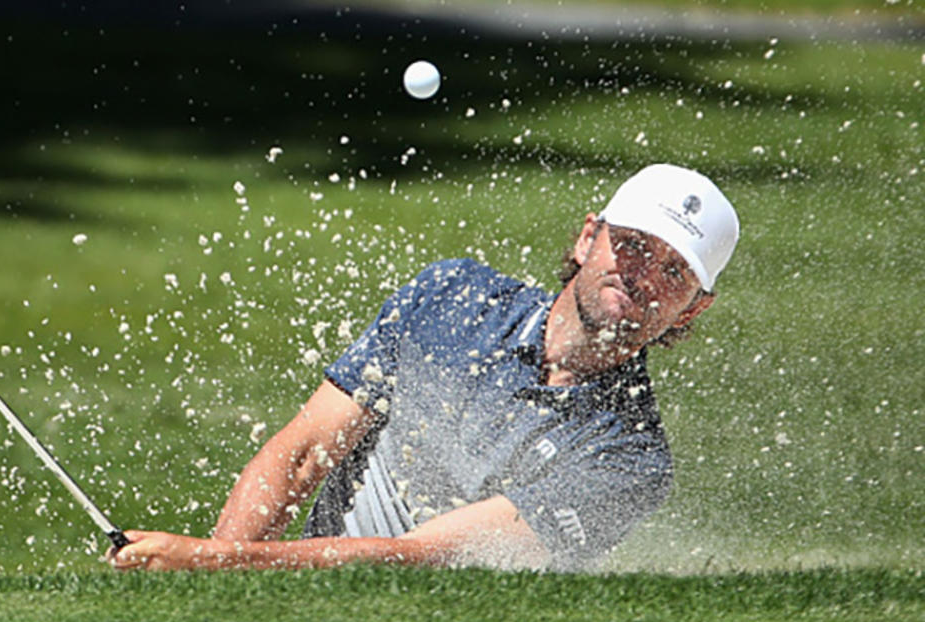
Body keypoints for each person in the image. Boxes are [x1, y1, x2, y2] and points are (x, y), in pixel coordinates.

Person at [107, 163, 739, 572]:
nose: (641, 274)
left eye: (673, 271)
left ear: (693, 309)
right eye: (630, 245)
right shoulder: (452, 299)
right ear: (586, 239)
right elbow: (302, 455)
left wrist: (214, 567)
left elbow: (422, 561)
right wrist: (213, 593)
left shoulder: (629, 459)